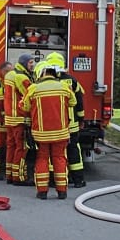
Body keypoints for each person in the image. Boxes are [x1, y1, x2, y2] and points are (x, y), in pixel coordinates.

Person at [21, 58, 77, 200]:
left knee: (42, 158)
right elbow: (73, 102)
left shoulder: (33, 88)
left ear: (41, 73)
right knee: (59, 158)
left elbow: (25, 106)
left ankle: (42, 192)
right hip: (61, 132)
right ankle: (62, 191)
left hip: (41, 133)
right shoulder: (64, 86)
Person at [41, 53, 87, 188]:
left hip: (53, 125)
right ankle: (78, 180)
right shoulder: (72, 81)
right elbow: (79, 101)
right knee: (73, 150)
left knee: (52, 152)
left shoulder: (45, 82)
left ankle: (52, 181)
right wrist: (81, 118)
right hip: (71, 125)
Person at [2, 56, 34, 186]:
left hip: (10, 118)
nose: (33, 65)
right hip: (20, 118)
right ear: (24, 63)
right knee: (21, 147)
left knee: (11, 146)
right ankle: (19, 177)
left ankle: (10, 174)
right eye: (31, 62)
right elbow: (30, 94)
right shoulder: (22, 77)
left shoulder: (10, 75)